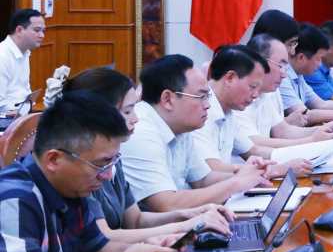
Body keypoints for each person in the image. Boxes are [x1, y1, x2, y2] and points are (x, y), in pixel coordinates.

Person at [0, 91, 177, 252]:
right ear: (54, 160)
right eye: (100, 164)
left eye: (113, 162)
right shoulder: (13, 198)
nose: (107, 175)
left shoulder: (71, 186)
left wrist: (150, 250)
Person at [63, 67, 233, 242]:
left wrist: (190, 215)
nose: (136, 118)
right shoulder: (84, 166)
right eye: (127, 111)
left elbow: (136, 220)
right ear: (99, 115)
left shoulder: (114, 159)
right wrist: (187, 226)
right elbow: (105, 237)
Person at [120, 54, 270, 213]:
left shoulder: (179, 125)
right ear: (168, 99)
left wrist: (248, 174)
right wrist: (236, 183)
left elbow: (203, 179)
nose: (208, 105)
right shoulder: (140, 131)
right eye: (201, 96)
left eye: (207, 96)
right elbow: (166, 204)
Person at [193, 45, 313, 178]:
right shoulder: (200, 109)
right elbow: (211, 169)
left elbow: (253, 150)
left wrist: (313, 147)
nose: (256, 95)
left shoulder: (228, 109)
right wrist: (278, 169)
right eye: (252, 87)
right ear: (230, 78)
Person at [241, 34, 333, 146]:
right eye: (280, 66)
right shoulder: (240, 96)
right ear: (260, 63)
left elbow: (283, 131)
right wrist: (313, 139)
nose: (284, 74)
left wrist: (323, 130)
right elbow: (254, 146)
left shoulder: (267, 93)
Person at [0, 8, 45, 113]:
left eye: (43, 31)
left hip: (22, 114)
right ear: (19, 30)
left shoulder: (25, 52)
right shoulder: (2, 56)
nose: (42, 35)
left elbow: (24, 94)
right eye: (37, 30)